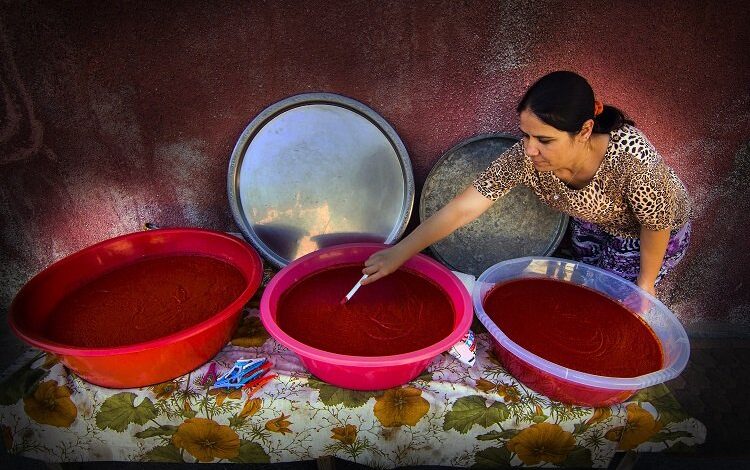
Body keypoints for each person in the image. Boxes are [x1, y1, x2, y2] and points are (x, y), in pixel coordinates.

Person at [361, 71, 691, 296]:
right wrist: (399, 253)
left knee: (613, 299)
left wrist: (645, 289)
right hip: (595, 219)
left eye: (544, 139)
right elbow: (465, 207)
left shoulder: (636, 164)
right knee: (578, 284)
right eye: (526, 135)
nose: (530, 149)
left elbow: (656, 224)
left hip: (648, 233)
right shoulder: (526, 156)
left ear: (586, 130)